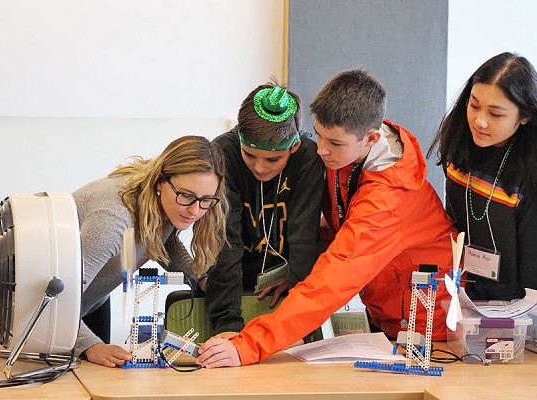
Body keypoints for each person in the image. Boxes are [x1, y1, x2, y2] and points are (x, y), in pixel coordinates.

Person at [196, 68, 457, 368]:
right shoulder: (345, 152)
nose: (320, 150)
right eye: (318, 136)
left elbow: (330, 283)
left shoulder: (388, 201)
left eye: (333, 143)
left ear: (371, 138)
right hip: (388, 313)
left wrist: (249, 345)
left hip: (430, 325)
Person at [428, 52, 537, 301]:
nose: (480, 122)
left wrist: (526, 315)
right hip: (477, 281)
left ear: (525, 116)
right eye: (474, 105)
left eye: (495, 114)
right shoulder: (460, 135)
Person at [73, 135, 228, 367]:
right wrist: (89, 345)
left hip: (89, 300)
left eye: (206, 200)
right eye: (186, 195)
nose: (195, 210)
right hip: (48, 308)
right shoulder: (113, 221)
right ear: (160, 182)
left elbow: (161, 240)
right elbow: (54, 299)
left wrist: (200, 278)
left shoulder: (158, 200)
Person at [205, 83, 325, 337]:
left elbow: (304, 235)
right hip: (228, 284)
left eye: (272, 159)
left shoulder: (308, 157)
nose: (260, 168)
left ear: (293, 147)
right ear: (239, 140)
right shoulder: (223, 152)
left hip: (284, 287)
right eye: (249, 155)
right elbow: (226, 240)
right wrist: (227, 324)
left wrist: (296, 282)